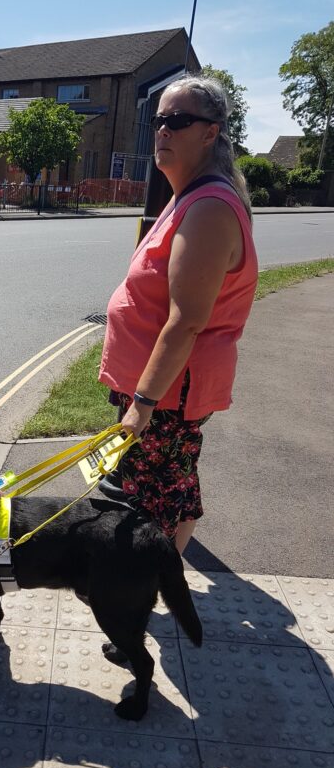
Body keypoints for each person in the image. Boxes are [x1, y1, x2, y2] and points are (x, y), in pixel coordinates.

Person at [98, 75, 258, 556]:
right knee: (175, 483)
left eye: (179, 121)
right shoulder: (188, 195)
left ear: (211, 132)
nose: (163, 131)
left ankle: (147, 596)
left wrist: (141, 405)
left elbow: (186, 320)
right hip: (159, 386)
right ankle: (168, 586)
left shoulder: (208, 207)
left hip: (166, 393)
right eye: (159, 120)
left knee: (153, 501)